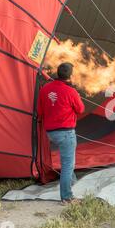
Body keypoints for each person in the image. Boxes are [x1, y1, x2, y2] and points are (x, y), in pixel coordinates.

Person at [37, 63, 85, 205]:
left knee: (68, 163)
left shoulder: (45, 89)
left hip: (50, 133)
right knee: (68, 165)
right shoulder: (71, 92)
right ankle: (67, 197)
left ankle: (73, 183)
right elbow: (80, 109)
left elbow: (40, 112)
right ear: (70, 76)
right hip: (66, 133)